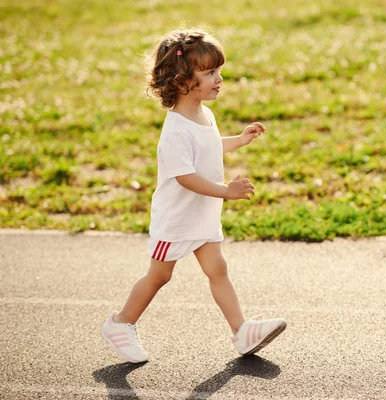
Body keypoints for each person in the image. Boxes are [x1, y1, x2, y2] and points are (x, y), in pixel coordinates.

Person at [101, 28, 286, 363]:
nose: (220, 78)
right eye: (210, 73)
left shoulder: (204, 114)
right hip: (176, 219)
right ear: (183, 81)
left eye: (218, 71)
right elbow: (186, 177)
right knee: (160, 275)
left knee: (218, 269)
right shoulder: (174, 130)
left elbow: (209, 147)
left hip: (201, 215)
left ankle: (241, 330)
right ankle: (120, 324)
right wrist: (226, 191)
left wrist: (238, 141)